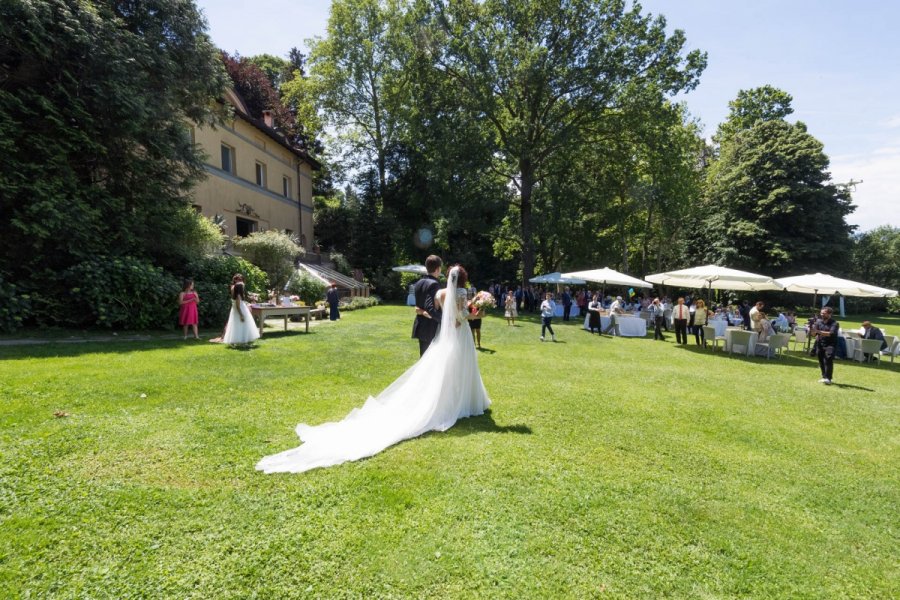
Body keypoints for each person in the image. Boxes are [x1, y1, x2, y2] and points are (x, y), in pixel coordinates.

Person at [257, 265, 490, 473]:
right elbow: (462, 315)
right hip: (460, 335)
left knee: (444, 369)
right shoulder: (460, 293)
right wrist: (478, 311)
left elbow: (439, 311)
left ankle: (450, 399)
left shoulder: (441, 292)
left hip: (444, 335)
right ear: (463, 278)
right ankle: (461, 401)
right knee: (460, 367)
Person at [412, 255, 443, 356]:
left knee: (423, 360)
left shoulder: (419, 283)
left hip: (421, 326)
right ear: (438, 269)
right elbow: (430, 308)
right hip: (431, 328)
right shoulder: (434, 284)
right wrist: (445, 321)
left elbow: (418, 306)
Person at [222, 275, 260, 346]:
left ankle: (240, 341)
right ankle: (242, 341)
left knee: (238, 326)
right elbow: (238, 306)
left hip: (238, 311)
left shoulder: (238, 295)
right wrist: (241, 315)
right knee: (241, 325)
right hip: (240, 311)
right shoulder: (238, 296)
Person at [812, 307, 839, 384]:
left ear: (829, 314)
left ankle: (828, 378)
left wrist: (818, 331)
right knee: (821, 360)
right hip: (820, 343)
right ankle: (824, 377)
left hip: (831, 344)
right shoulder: (819, 322)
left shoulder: (834, 323)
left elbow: (830, 333)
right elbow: (814, 334)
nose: (822, 314)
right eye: (821, 313)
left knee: (828, 359)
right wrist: (812, 330)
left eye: (824, 313)